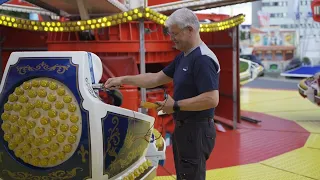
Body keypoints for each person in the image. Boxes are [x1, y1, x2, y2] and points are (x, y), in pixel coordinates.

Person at [104, 8, 219, 180]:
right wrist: (122, 79)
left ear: (190, 30)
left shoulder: (202, 59)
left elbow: (211, 99)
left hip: (196, 129)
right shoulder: (184, 56)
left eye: (175, 34)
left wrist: (176, 105)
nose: (171, 38)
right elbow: (156, 78)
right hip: (184, 127)